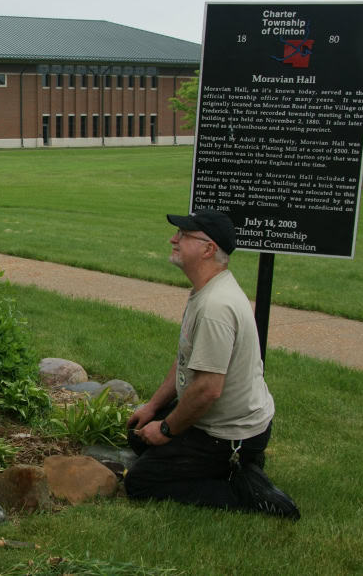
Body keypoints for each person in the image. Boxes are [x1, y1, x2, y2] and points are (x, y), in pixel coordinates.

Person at [123, 209, 300, 519]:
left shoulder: (216, 307)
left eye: (183, 235)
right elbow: (186, 361)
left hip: (230, 434)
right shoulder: (208, 291)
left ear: (207, 249)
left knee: (140, 481)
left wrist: (166, 429)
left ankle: (244, 492)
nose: (173, 239)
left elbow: (207, 390)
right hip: (219, 423)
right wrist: (152, 407)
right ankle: (241, 468)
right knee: (137, 435)